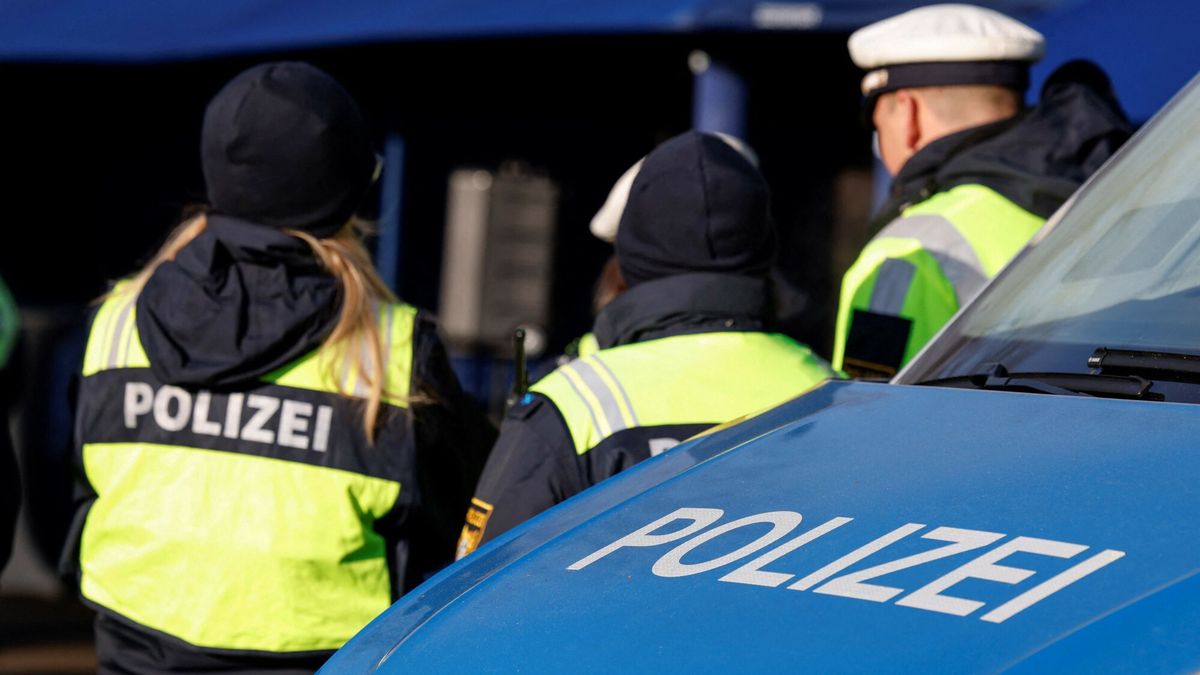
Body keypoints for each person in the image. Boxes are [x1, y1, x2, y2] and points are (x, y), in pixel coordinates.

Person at [60, 62, 496, 673]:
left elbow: (78, 480)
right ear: (348, 188)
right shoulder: (393, 346)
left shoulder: (117, 317)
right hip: (329, 655)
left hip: (136, 650)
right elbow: (473, 516)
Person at [456, 130, 835, 558]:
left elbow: (479, 595)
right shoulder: (841, 394)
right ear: (764, 245)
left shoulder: (570, 407)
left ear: (632, 255)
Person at [832, 4, 1132, 378]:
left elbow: (870, 412)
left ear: (907, 114)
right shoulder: (1120, 195)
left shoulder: (908, 251)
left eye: (875, 119)